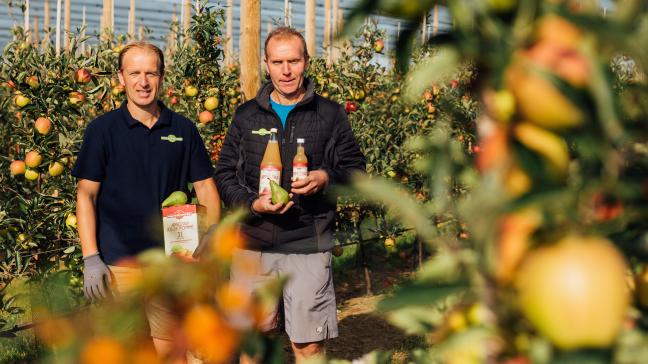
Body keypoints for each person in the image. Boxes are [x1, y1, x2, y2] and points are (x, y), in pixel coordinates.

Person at [214, 27, 365, 362]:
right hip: (253, 244)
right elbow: (224, 175)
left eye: (293, 61)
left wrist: (325, 178)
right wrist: (252, 202)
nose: (286, 70)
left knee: (308, 344)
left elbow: (356, 171)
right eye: (278, 61)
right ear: (266, 64)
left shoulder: (329, 114)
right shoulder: (246, 115)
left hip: (308, 244)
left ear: (306, 62)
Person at [72, 42, 220, 358]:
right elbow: (86, 194)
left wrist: (211, 235)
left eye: (151, 73)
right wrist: (90, 257)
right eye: (135, 73)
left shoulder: (182, 129)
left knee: (171, 350)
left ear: (162, 77)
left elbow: (206, 186)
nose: (143, 82)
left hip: (170, 263)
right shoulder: (103, 130)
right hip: (117, 264)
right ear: (121, 78)